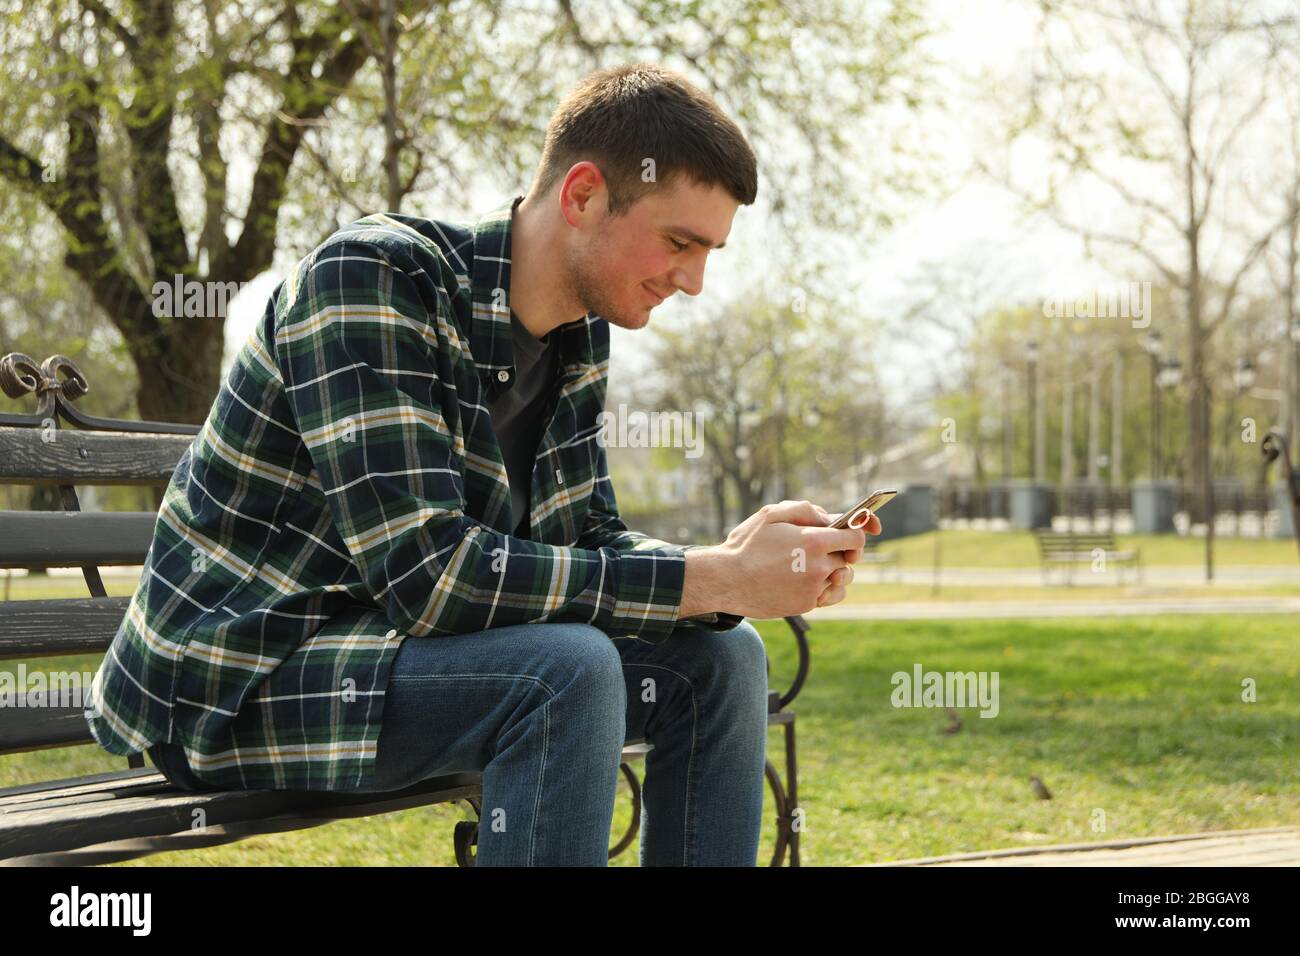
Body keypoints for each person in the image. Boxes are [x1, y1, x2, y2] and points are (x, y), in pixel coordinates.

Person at [85, 62, 879, 866]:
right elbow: (428, 577)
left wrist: (729, 569)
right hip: (237, 680)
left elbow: (587, 536)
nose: (695, 281)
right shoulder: (373, 278)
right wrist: (707, 579)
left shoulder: (578, 333)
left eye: (709, 251)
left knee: (725, 657)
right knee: (564, 671)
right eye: (680, 242)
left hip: (388, 654)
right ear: (583, 197)